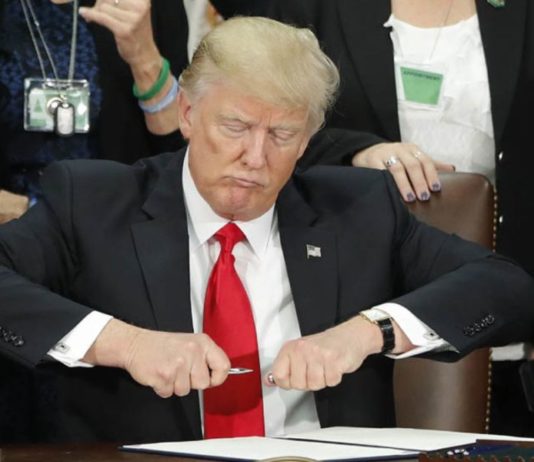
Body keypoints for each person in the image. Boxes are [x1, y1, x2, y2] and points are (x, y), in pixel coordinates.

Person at [0, 16, 534, 443]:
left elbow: (509, 288)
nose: (255, 157)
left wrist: (367, 333)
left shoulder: (357, 210)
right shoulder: (94, 202)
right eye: (235, 126)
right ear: (187, 113)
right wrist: (126, 344)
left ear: (307, 140)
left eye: (282, 134)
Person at [215, 0, 534, 437]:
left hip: (502, 292)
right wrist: (357, 150)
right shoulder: (313, 9)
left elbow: (509, 288)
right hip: (348, 284)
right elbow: (271, 118)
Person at [0, 0, 189, 442]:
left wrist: (144, 57)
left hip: (113, 254)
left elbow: (179, 153)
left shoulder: (150, 6)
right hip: (9, 248)